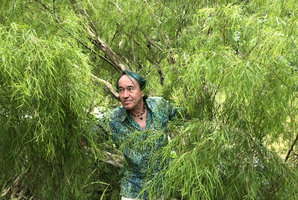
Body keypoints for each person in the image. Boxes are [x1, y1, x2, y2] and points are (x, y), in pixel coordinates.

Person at [101, 70, 178, 200]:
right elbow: (91, 133)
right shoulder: (113, 118)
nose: (125, 95)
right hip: (132, 191)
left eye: (130, 89)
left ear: (143, 91)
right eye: (121, 90)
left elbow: (184, 118)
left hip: (161, 189)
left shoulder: (160, 106)